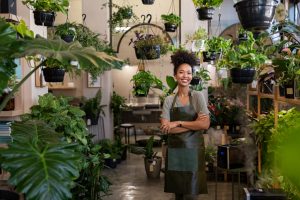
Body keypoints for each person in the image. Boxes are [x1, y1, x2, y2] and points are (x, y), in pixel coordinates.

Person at [160, 50, 210, 200]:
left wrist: (178, 122)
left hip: (193, 153)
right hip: (176, 153)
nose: (185, 76)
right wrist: (194, 124)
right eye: (181, 72)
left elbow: (205, 124)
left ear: (192, 76)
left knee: (192, 193)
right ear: (175, 75)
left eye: (189, 72)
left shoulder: (197, 97)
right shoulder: (169, 100)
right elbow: (166, 129)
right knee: (178, 194)